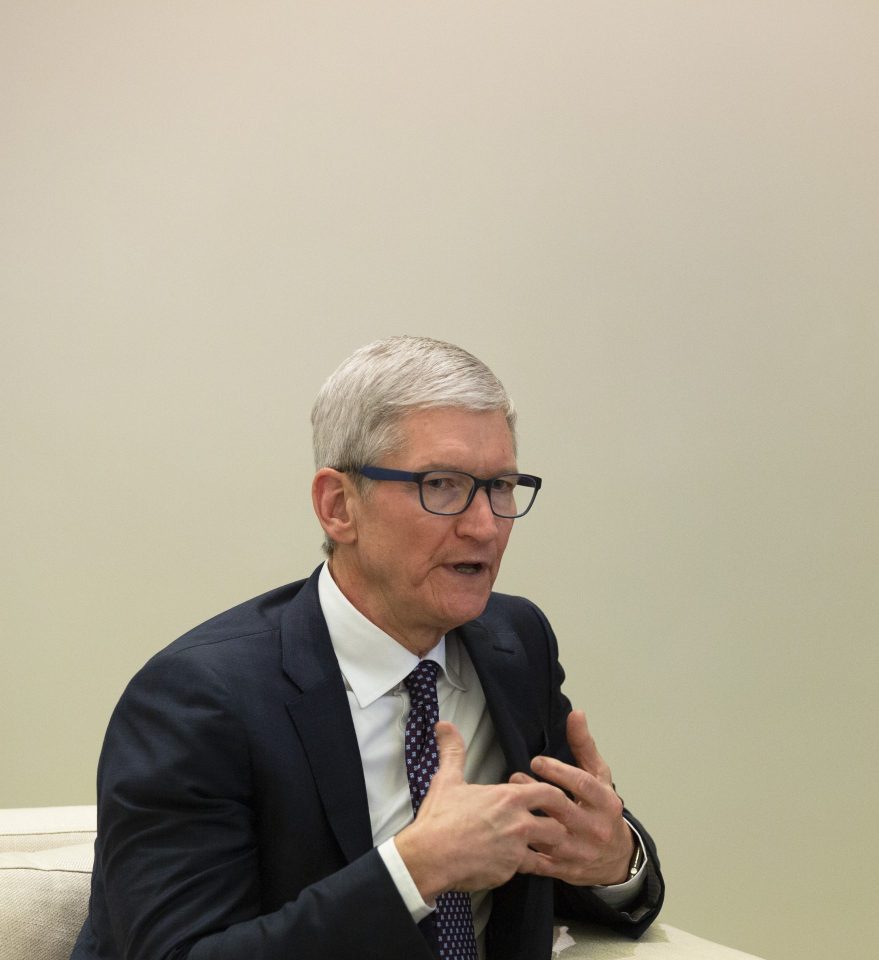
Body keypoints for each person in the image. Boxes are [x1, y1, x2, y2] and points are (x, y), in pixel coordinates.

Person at [71, 336, 663, 960]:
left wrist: (615, 857)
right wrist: (414, 869)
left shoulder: (517, 644)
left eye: (501, 487)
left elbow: (559, 854)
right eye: (443, 484)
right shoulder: (198, 700)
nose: (485, 525)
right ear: (339, 506)